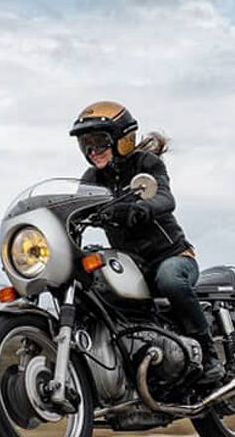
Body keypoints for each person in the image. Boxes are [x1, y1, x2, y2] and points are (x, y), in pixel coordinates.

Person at [69, 101, 223, 383]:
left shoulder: (146, 164)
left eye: (100, 142)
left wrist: (143, 207)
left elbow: (165, 197)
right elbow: (76, 207)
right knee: (93, 288)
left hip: (172, 256)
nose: (94, 151)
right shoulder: (92, 179)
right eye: (86, 144)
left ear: (122, 139)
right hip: (132, 265)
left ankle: (208, 352)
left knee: (170, 280)